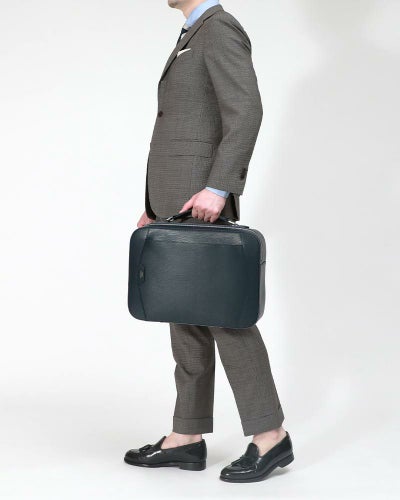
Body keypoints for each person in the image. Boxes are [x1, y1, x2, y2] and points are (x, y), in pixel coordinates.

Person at [124, 0, 294, 483]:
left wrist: (219, 187)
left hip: (201, 196)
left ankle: (271, 436)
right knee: (184, 312)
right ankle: (187, 436)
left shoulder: (220, 29)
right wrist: (155, 206)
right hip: (176, 197)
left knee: (225, 318)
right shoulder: (192, 32)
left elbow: (247, 110)